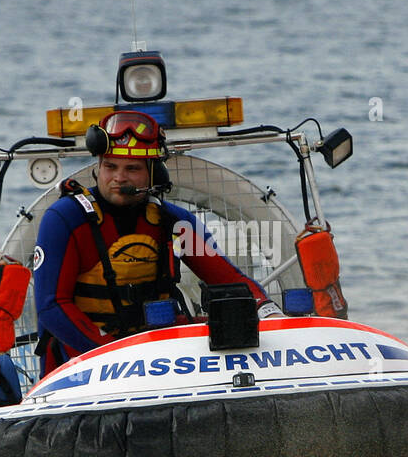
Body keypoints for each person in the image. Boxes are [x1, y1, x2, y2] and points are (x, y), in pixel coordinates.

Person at [33, 110, 278, 373]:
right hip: (87, 363)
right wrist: (110, 356)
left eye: (132, 169)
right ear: (98, 168)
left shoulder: (173, 223)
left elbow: (228, 278)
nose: (119, 178)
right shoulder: (65, 219)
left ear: (154, 173)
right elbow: (52, 306)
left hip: (158, 359)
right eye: (110, 166)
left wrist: (270, 313)